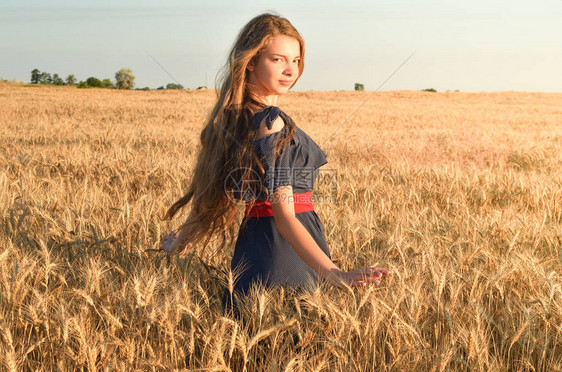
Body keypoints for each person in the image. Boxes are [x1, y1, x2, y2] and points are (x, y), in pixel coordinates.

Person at [159, 13, 390, 312]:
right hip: (284, 251)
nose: (290, 70)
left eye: (295, 60)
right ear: (251, 61)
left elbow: (212, 199)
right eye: (278, 59)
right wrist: (336, 274)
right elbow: (284, 216)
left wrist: (179, 242)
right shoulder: (271, 123)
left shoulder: (236, 119)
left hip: (256, 248)